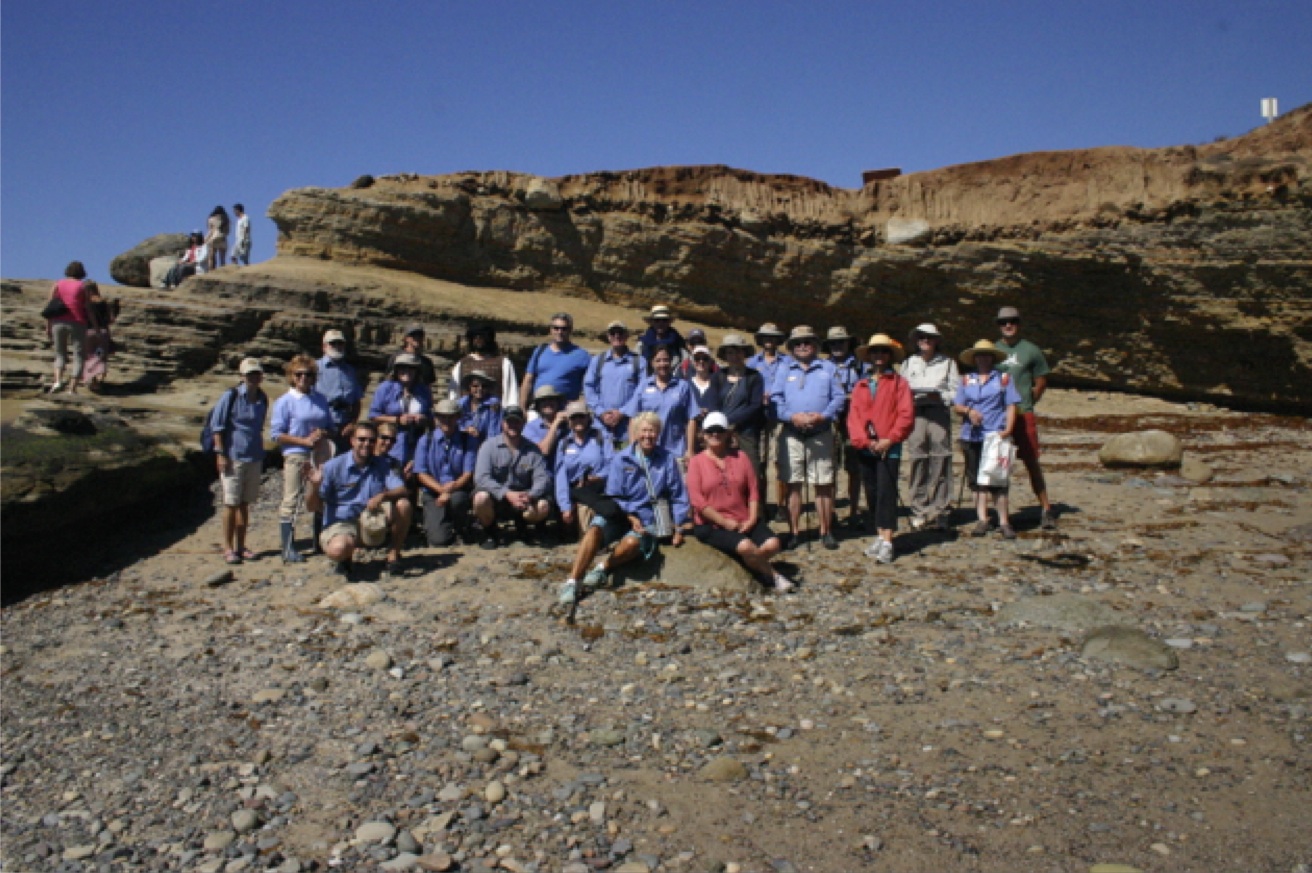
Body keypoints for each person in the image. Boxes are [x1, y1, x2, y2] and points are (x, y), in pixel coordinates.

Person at [558, 411, 690, 606]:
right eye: (644, 431)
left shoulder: (667, 459)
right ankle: (573, 580)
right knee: (594, 531)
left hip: (648, 515)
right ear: (636, 433)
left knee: (631, 543)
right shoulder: (622, 459)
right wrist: (629, 516)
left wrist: (678, 526)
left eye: (652, 431)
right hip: (621, 511)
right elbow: (613, 494)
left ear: (659, 433)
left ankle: (603, 567)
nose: (648, 435)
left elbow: (678, 496)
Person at [687, 412, 792, 593]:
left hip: (742, 518)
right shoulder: (696, 462)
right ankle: (775, 576)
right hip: (712, 525)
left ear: (727, 433)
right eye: (710, 431)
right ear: (703, 434)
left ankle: (749, 562)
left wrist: (752, 518)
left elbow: (753, 491)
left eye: (719, 430)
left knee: (773, 544)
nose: (715, 434)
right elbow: (698, 502)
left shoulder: (741, 457)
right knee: (746, 546)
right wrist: (723, 521)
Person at [306, 420, 413, 578]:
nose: (366, 444)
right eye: (361, 439)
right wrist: (314, 486)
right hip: (342, 521)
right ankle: (345, 557)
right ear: (352, 441)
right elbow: (312, 506)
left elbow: (402, 489)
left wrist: (383, 495)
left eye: (371, 440)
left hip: (371, 518)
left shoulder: (382, 464)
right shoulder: (333, 467)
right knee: (337, 550)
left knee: (404, 504)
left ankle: (393, 555)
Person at [770, 325, 845, 550]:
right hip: (792, 433)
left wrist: (824, 416)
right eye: (798, 343)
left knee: (823, 483)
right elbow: (776, 398)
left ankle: (826, 531)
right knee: (793, 484)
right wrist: (792, 417)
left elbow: (839, 397)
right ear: (792, 347)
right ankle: (795, 532)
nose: (802, 346)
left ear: (815, 345)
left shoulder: (828, 368)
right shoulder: (784, 369)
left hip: (820, 432)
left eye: (807, 342)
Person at [847, 335, 915, 564]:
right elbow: (854, 417)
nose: (879, 356)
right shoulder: (861, 385)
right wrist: (864, 441)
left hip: (889, 448)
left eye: (883, 352)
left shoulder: (899, 383)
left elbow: (906, 415)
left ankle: (888, 540)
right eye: (874, 352)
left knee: (887, 493)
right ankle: (880, 534)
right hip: (867, 448)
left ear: (889, 356)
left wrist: (890, 439)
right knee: (873, 492)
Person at [995, 306, 1057, 529]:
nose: (1008, 325)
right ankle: (1003, 515)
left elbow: (1041, 380)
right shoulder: (993, 351)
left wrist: (1030, 402)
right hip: (999, 415)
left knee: (1032, 461)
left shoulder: (1031, 350)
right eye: (1003, 322)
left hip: (1023, 412)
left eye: (1012, 321)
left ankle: (1046, 508)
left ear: (1019, 324)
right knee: (1000, 464)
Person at [953, 340, 1022, 539]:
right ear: (974, 358)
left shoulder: (1004, 379)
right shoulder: (966, 379)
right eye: (979, 355)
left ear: (992, 358)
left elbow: (1010, 405)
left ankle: (1004, 521)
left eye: (987, 355)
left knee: (998, 478)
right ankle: (982, 518)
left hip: (995, 435)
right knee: (977, 480)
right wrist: (969, 410)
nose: (983, 358)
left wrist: (1008, 429)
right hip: (972, 435)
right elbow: (958, 405)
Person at [270, 354, 334, 563]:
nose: (303, 378)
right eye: (299, 374)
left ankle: (319, 540)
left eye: (308, 374)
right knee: (292, 498)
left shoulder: (320, 399)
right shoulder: (285, 402)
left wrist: (322, 434)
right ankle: (288, 547)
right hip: (296, 454)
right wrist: (303, 441)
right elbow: (277, 434)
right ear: (292, 376)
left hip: (320, 452)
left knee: (320, 494)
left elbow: (328, 424)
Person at [210, 358, 269, 565]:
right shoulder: (231, 396)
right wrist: (220, 454)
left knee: (245, 504)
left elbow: (259, 426)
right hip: (233, 456)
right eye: (250, 374)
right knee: (231, 503)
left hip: (254, 456)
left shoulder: (262, 398)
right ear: (242, 376)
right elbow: (217, 426)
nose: (254, 377)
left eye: (257, 374)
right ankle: (227, 548)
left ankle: (241, 546)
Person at [901, 323, 960, 531]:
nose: (925, 340)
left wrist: (941, 396)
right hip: (916, 413)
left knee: (941, 458)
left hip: (938, 412)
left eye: (929, 337)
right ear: (916, 340)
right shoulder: (909, 363)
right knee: (917, 458)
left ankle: (940, 509)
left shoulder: (948, 363)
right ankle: (919, 508)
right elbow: (901, 390)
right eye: (921, 337)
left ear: (936, 341)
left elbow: (956, 392)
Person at [471, 405, 552, 549]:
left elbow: (542, 478)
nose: (513, 425)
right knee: (480, 498)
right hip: (497, 498)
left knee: (542, 506)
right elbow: (481, 477)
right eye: (509, 422)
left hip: (524, 499)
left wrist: (530, 495)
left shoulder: (533, 450)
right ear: (503, 423)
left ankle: (525, 529)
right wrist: (506, 494)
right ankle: (489, 532)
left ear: (523, 424)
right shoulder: (488, 446)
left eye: (517, 422)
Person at [620, 344, 700, 467]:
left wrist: (690, 450)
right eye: (658, 360)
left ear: (671, 361)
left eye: (665, 360)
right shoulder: (643, 387)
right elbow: (633, 419)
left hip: (676, 453)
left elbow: (691, 419)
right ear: (652, 363)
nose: (662, 364)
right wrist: (633, 448)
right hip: (648, 453)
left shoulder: (683, 387)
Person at [413, 399, 477, 546]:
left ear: (458, 417)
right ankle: (440, 523)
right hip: (433, 490)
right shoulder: (425, 440)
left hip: (457, 489)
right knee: (438, 541)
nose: (447, 420)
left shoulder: (467, 440)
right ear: (436, 418)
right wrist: (442, 490)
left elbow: (468, 472)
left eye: (451, 416)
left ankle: (461, 527)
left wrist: (451, 489)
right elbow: (421, 473)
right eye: (442, 416)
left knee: (458, 500)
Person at [824, 326, 869, 528]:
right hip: (832, 420)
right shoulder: (823, 366)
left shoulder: (861, 366)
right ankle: (830, 509)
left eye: (841, 342)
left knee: (854, 468)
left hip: (854, 421)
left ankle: (853, 509)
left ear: (849, 343)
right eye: (834, 343)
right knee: (829, 467)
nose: (837, 346)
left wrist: (846, 397)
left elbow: (867, 391)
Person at [748, 322, 791, 520]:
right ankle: (762, 505)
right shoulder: (751, 363)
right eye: (765, 337)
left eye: (772, 337)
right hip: (757, 417)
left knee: (780, 461)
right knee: (760, 462)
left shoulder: (788, 362)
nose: (769, 340)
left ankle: (782, 505)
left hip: (780, 417)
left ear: (777, 340)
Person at [553, 401, 614, 540]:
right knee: (583, 508)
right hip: (575, 490)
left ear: (588, 418)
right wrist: (565, 506)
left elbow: (612, 464)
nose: (578, 420)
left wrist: (599, 476)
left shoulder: (601, 437)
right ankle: (588, 543)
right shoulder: (563, 443)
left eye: (581, 416)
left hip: (598, 487)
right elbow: (560, 476)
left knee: (587, 508)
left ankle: (592, 542)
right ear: (568, 421)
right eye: (574, 417)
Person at [583, 320, 648, 449]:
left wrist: (622, 412)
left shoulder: (639, 362)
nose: (617, 336)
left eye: (620, 333)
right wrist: (601, 412)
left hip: (628, 427)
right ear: (608, 336)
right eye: (613, 333)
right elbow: (588, 387)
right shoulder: (598, 361)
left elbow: (641, 391)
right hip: (601, 426)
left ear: (627, 336)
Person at [710, 333, 766, 478]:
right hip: (721, 431)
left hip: (746, 431)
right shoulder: (718, 376)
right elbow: (713, 403)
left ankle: (753, 500)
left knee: (751, 471)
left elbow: (755, 405)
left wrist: (732, 422)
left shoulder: (754, 377)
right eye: (730, 352)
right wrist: (723, 424)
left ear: (744, 353)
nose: (734, 355)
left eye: (738, 351)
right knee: (722, 471)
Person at [368, 353, 433, 467]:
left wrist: (423, 419)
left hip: (416, 443)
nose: (406, 371)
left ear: (417, 371)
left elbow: (431, 418)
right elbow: (373, 416)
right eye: (403, 368)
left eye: (411, 368)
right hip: (390, 443)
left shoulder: (423, 391)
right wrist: (397, 419)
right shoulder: (385, 388)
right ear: (396, 370)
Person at [44, 261, 99, 395]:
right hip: (78, 322)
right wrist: (95, 326)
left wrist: (48, 325)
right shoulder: (82, 286)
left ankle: (57, 381)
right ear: (82, 272)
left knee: (60, 353)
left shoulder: (58, 284)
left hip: (58, 321)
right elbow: (88, 308)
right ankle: (72, 388)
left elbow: (50, 305)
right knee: (79, 355)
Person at [520, 312, 591, 404]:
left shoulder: (582, 355)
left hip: (565, 411)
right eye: (556, 328)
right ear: (551, 330)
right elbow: (528, 380)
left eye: (564, 329)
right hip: (539, 407)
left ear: (570, 330)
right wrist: (522, 406)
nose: (559, 332)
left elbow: (591, 385)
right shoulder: (540, 351)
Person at [448, 323, 518, 406]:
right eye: (475, 337)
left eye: (482, 337)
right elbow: (454, 393)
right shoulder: (462, 364)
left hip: (495, 414)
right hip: (467, 415)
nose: (478, 339)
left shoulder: (504, 363)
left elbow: (511, 393)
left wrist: (510, 412)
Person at [317, 329, 364, 452]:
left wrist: (353, 423)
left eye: (340, 343)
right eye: (333, 343)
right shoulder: (315, 369)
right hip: (323, 427)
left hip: (345, 429)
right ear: (324, 346)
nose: (337, 347)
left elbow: (356, 401)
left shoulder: (350, 371)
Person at [80, 281, 121, 392]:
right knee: (100, 356)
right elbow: (111, 319)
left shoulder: (85, 303)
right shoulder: (104, 303)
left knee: (89, 356)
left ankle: (92, 380)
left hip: (88, 333)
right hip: (102, 334)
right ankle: (99, 381)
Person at [523, 385, 569, 474]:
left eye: (551, 399)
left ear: (558, 402)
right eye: (543, 400)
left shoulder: (568, 424)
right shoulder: (530, 428)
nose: (548, 402)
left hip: (568, 475)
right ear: (538, 405)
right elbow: (544, 450)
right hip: (543, 475)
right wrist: (556, 423)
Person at [458, 370, 502, 449]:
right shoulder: (461, 403)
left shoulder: (493, 404)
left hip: (484, 444)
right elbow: (456, 424)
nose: (480, 389)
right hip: (462, 443)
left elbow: (494, 431)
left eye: (484, 386)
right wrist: (466, 429)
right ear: (469, 387)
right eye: (475, 386)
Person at [687, 344, 721, 419]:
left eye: (705, 358)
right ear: (692, 362)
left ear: (710, 362)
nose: (701, 361)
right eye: (697, 358)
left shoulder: (718, 384)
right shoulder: (686, 385)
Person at [205, 206, 230, 271]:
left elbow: (211, 231)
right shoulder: (226, 219)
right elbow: (228, 231)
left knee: (211, 257)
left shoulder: (211, 219)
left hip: (214, 238)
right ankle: (223, 271)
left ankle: (211, 271)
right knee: (222, 258)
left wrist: (205, 239)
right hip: (223, 238)